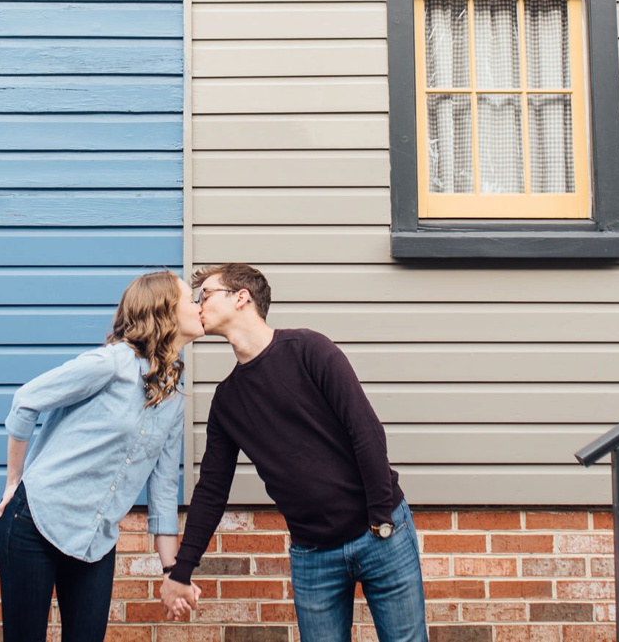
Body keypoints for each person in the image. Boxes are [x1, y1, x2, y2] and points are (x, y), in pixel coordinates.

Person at [160, 263, 426, 642]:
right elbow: (211, 491)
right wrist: (181, 570)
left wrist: (380, 517)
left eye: (206, 294)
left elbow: (365, 430)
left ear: (241, 298)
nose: (198, 304)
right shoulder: (227, 401)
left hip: (380, 535)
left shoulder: (308, 349)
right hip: (314, 555)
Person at [0, 270, 204, 642]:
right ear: (165, 312)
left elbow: (164, 489)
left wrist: (172, 570)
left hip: (95, 542)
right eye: (190, 299)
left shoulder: (172, 398)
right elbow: (26, 401)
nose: (198, 305)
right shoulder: (111, 364)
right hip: (35, 522)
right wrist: (15, 480)